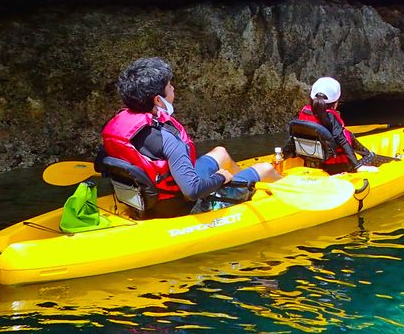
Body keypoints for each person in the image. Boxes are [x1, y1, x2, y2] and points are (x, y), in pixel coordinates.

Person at [100, 57, 280, 218]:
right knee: (265, 169)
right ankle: (241, 192)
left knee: (221, 152)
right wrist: (220, 178)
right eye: (169, 86)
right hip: (178, 208)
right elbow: (192, 191)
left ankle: (241, 191)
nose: (173, 88)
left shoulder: (118, 127)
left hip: (144, 200)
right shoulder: (167, 138)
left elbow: (101, 164)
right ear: (157, 100)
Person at [296, 76, 377, 174]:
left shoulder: (305, 112)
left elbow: (294, 136)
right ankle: (373, 158)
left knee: (347, 134)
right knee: (371, 156)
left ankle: (364, 155)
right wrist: (358, 166)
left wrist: (284, 154)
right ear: (335, 103)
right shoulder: (331, 118)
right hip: (337, 168)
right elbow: (342, 141)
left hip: (313, 164)